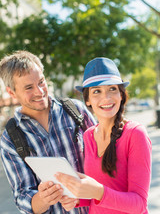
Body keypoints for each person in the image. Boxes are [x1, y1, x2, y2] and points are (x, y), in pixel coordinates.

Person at [0, 50, 96, 214]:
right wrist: (42, 199)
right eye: (29, 87)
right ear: (11, 92)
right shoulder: (10, 139)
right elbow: (22, 196)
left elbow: (107, 157)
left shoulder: (75, 110)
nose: (39, 91)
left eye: (41, 82)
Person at [55, 57, 152, 214]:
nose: (106, 98)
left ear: (121, 94)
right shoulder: (88, 136)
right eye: (97, 91)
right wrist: (77, 199)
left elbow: (139, 204)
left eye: (112, 89)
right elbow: (98, 195)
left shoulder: (135, 134)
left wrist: (98, 191)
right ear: (87, 100)